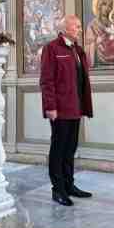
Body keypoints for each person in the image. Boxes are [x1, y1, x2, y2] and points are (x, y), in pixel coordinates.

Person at [40, 15, 94, 206]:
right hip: (60, 109)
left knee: (70, 148)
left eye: (79, 26)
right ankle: (58, 190)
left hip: (75, 107)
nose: (80, 29)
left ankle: (69, 185)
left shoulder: (77, 49)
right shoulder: (52, 48)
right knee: (59, 149)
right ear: (64, 29)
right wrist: (50, 107)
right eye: (76, 26)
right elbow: (46, 81)